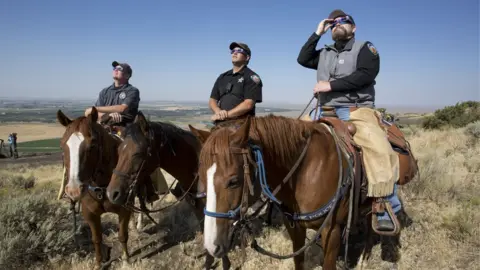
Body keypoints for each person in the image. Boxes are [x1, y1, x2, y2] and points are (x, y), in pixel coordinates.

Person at [297, 9, 401, 232]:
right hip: (323, 110)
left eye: (343, 22)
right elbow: (303, 59)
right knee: (293, 139)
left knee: (378, 148)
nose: (337, 25)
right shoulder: (324, 52)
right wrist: (317, 33)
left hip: (355, 110)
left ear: (354, 28)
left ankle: (385, 205)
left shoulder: (365, 48)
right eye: (333, 23)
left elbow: (366, 74)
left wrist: (330, 85)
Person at [59, 61, 168, 204]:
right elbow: (94, 115)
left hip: (127, 129)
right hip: (104, 127)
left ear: (127, 75)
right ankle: (68, 186)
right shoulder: (105, 91)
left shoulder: (132, 91)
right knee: (79, 150)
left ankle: (149, 190)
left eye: (120, 69)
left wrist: (100, 111)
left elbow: (123, 108)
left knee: (138, 154)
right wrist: (105, 116)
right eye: (114, 68)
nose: (116, 70)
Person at [208, 42, 263, 130]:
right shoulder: (222, 77)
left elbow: (248, 104)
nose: (234, 52)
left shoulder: (251, 77)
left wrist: (226, 115)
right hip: (220, 124)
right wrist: (218, 112)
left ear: (247, 57)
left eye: (239, 50)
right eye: (233, 51)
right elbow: (212, 100)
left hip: (241, 127)